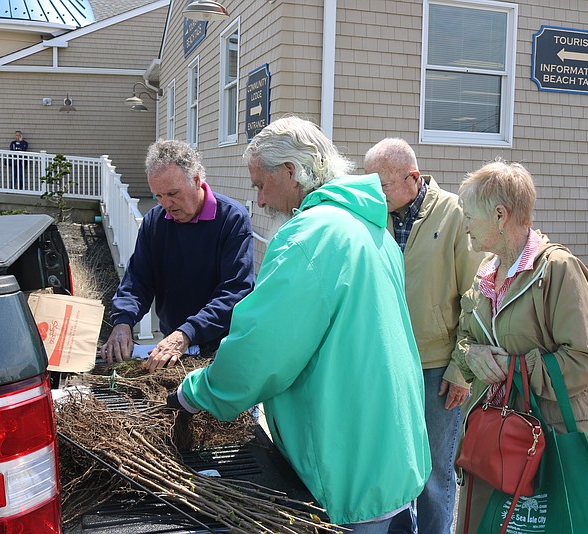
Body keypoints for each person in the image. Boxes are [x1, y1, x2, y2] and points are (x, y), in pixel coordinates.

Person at [166, 117, 431, 532]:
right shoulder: (369, 226)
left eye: (260, 184)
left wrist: (196, 392)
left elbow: (261, 350)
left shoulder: (308, 238)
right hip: (394, 449)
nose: (259, 199)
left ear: (291, 172)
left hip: (350, 459)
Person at [451, 158, 588, 532]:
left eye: (470, 215)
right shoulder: (486, 271)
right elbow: (465, 336)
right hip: (499, 441)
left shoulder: (557, 270)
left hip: (550, 438)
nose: (465, 225)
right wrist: (470, 355)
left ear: (501, 215)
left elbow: (587, 360)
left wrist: (515, 368)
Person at [364, 138, 484, 534]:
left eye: (381, 185)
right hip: (389, 363)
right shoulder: (375, 213)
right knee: (395, 469)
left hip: (437, 367)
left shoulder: (453, 212)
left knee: (434, 474)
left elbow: (476, 294)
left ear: (413, 178)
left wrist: (462, 369)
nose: (373, 193)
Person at [101, 139, 255, 372]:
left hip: (224, 345)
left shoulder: (232, 219)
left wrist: (188, 332)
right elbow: (138, 280)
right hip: (174, 342)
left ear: (195, 180)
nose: (167, 204)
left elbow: (235, 291)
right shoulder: (155, 221)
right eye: (158, 196)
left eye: (173, 193)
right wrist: (122, 321)